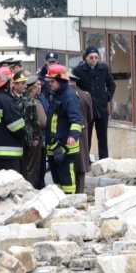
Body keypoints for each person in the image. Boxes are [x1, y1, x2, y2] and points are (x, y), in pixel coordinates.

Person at [44, 64, 83, 194]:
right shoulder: (56, 94)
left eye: (52, 81)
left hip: (65, 148)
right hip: (54, 146)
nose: (50, 84)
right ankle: (61, 203)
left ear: (60, 79)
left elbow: (77, 119)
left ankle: (70, 203)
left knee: (67, 181)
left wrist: (72, 136)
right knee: (57, 180)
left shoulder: (69, 96)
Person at [73, 46, 116, 160]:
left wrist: (107, 97)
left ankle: (104, 160)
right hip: (87, 108)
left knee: (102, 136)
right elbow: (74, 87)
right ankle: (86, 161)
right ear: (86, 58)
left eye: (96, 57)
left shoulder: (104, 69)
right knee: (87, 136)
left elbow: (111, 84)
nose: (94, 60)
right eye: (91, 57)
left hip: (101, 107)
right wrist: (81, 99)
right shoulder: (78, 70)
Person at [11, 70, 41, 188]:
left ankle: (30, 191)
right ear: (15, 84)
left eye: (25, 83)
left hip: (28, 140)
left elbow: (35, 120)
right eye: (22, 83)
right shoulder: (9, 99)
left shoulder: (29, 98)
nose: (25, 86)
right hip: (14, 140)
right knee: (17, 169)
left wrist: (36, 137)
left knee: (30, 171)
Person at [68, 71, 93, 194]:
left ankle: (70, 191)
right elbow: (90, 117)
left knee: (70, 163)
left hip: (68, 133)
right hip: (83, 132)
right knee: (82, 163)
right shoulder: (86, 95)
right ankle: (80, 191)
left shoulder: (65, 95)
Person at [27, 75, 47, 189]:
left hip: (31, 139)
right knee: (34, 168)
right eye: (36, 86)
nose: (39, 88)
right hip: (35, 139)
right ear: (32, 89)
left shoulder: (40, 99)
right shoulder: (34, 102)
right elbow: (43, 122)